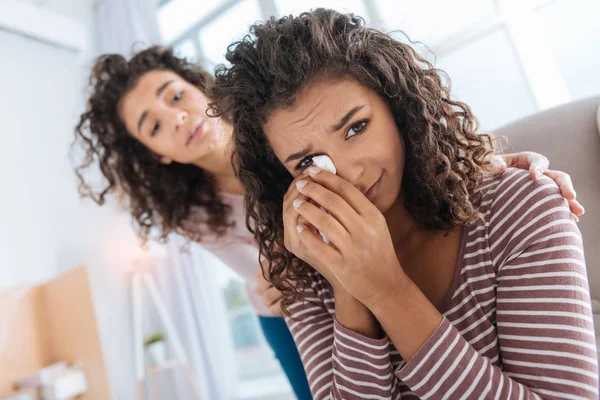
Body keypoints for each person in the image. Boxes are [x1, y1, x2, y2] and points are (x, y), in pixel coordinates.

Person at [210, 8, 598, 399]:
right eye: (309, 162)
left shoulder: (520, 207)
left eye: (355, 128)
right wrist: (347, 285)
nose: (348, 173)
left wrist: (388, 292)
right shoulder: (305, 272)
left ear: (400, 107)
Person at [72, 47, 312, 399]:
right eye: (153, 126)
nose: (176, 118)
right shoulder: (193, 215)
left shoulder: (274, 125)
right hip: (282, 314)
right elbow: (274, 276)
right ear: (159, 154)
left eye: (176, 96)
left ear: (201, 87)